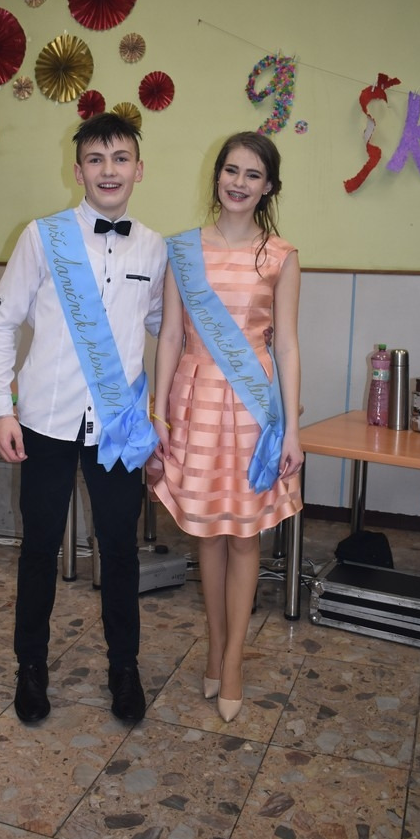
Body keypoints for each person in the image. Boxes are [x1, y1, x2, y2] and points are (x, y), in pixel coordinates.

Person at [0, 113, 167, 725]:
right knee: (38, 548)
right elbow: (0, 325)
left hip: (117, 427)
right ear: (78, 169)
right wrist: (2, 409)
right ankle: (30, 667)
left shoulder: (154, 247)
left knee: (120, 551)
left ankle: (125, 668)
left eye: (120, 158)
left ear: (139, 169)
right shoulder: (43, 237)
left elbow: (164, 331)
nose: (109, 170)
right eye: (96, 159)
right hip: (45, 422)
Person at [149, 130, 303, 723]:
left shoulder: (281, 256)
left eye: (253, 174)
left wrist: (292, 431)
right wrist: (159, 413)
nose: (239, 183)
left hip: (252, 411)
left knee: (244, 535)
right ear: (217, 176)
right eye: (231, 170)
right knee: (207, 535)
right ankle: (215, 645)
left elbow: (287, 346)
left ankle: (233, 658)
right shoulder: (182, 250)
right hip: (195, 404)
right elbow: (169, 337)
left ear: (269, 187)